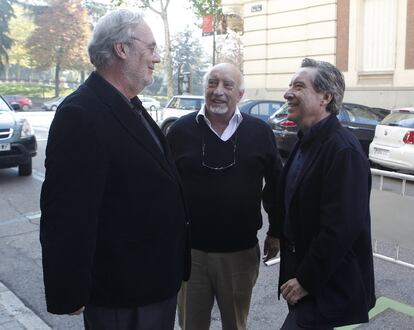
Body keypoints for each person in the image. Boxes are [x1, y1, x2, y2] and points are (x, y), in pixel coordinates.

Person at [39, 9, 190, 330]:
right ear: (122, 49)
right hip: (123, 295)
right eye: (150, 48)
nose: (157, 58)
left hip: (154, 284)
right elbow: (66, 213)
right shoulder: (81, 113)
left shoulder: (130, 104)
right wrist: (70, 289)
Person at [166, 62, 282, 330]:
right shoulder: (180, 131)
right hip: (190, 254)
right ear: (204, 88)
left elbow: (276, 184)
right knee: (191, 325)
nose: (218, 91)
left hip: (239, 254)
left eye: (227, 85)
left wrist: (276, 231)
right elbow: (165, 190)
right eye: (212, 83)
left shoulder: (259, 132)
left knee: (235, 325)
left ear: (240, 94)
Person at [275, 58, 376, 329]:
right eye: (289, 85)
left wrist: (306, 280)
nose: (288, 93)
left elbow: (340, 228)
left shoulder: (343, 150)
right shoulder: (305, 140)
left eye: (298, 86)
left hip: (327, 287)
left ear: (325, 97)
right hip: (306, 278)